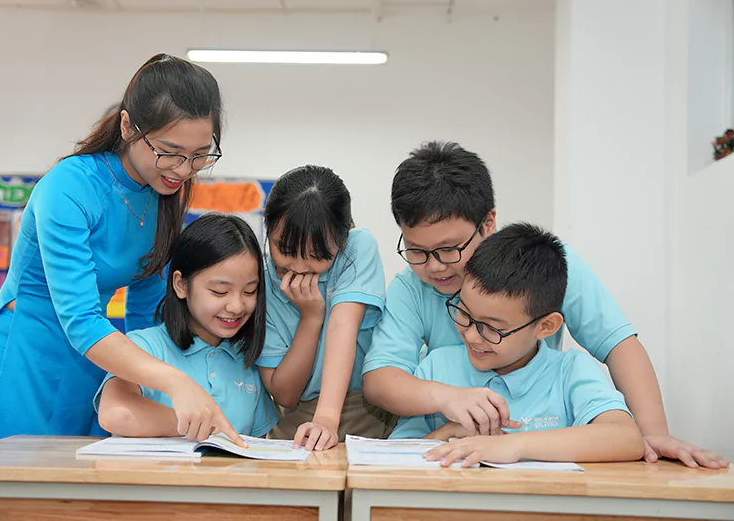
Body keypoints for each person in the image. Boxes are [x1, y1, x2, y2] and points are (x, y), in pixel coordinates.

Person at [0, 53, 247, 454]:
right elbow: (81, 318)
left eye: (199, 155)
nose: (183, 169)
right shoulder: (69, 187)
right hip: (23, 354)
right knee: (11, 479)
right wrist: (174, 382)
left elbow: (146, 312)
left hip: (97, 356)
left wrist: (161, 379)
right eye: (169, 151)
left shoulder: (161, 195)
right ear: (127, 126)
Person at [363, 141, 729, 469]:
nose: (434, 266)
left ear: (488, 223)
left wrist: (654, 433)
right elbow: (381, 379)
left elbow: (618, 345)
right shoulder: (423, 324)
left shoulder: (543, 267)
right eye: (416, 251)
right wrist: (447, 402)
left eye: (449, 249)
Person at [391, 224, 644, 466]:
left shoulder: (571, 372)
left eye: (492, 328)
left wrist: (513, 445)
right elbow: (395, 457)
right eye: (464, 313)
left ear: (546, 327)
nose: (472, 336)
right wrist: (448, 432)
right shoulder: (436, 368)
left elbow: (627, 439)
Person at [96, 214, 277, 439]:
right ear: (181, 284)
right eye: (220, 292)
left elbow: (258, 443)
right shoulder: (145, 346)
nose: (236, 306)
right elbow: (116, 414)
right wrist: (208, 429)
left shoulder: (246, 360)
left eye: (250, 291)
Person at [256, 165, 388, 451]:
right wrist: (311, 317)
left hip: (364, 410)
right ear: (267, 224)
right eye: (285, 250)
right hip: (294, 421)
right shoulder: (258, 284)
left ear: (344, 237)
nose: (298, 266)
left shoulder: (357, 248)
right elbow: (285, 396)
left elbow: (343, 324)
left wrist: (327, 418)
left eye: (316, 255)